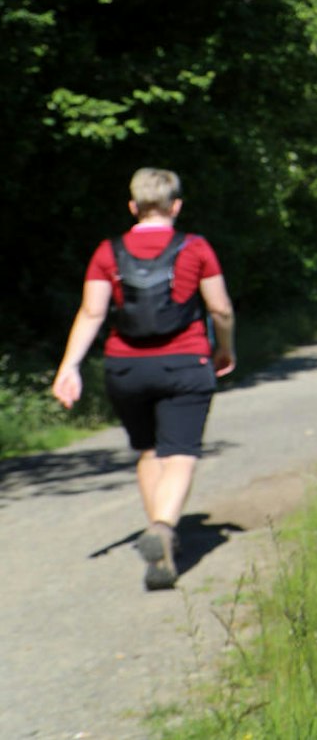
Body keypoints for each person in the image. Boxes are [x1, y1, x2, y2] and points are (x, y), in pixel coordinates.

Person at [50, 167, 236, 591]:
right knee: (181, 452)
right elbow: (220, 308)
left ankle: (160, 537)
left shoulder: (107, 251)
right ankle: (163, 527)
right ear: (176, 206)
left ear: (133, 206)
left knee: (149, 450)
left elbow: (92, 312)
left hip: (126, 368)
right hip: (185, 362)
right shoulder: (196, 247)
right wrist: (225, 348)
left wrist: (69, 366)